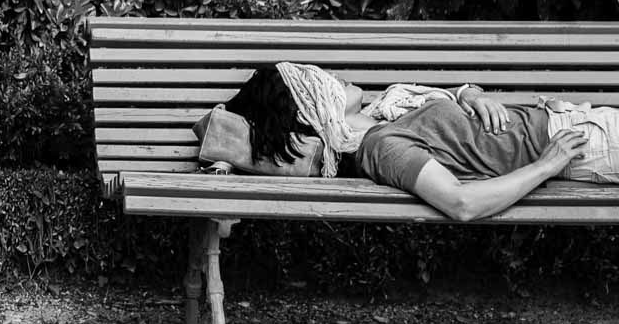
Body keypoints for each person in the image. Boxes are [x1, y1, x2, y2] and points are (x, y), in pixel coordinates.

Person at [225, 62, 600, 222]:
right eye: (318, 82)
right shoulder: (380, 146)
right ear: (312, 113)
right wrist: (547, 165)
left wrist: (468, 94)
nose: (332, 76)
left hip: (565, 117)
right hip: (577, 142)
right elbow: (462, 203)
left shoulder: (387, 111)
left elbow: (449, 128)